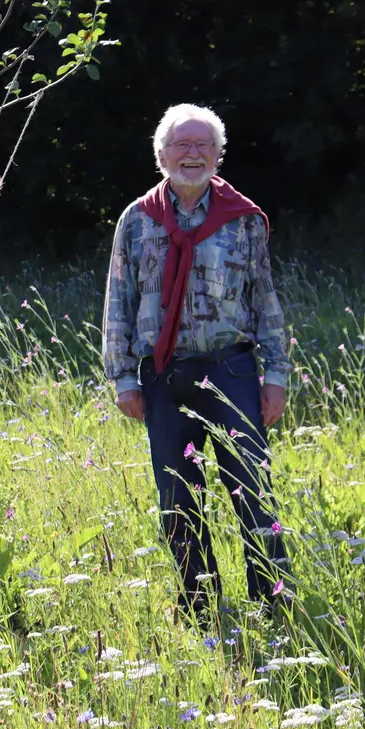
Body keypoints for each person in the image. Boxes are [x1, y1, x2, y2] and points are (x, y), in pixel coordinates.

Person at [102, 103, 294, 627]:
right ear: (161, 155)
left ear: (218, 154)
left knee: (253, 492)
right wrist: (122, 377)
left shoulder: (243, 218)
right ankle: (201, 610)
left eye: (203, 145)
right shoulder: (137, 220)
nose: (193, 154)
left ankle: (275, 608)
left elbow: (265, 299)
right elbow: (118, 300)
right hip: (162, 378)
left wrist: (276, 375)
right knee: (177, 499)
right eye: (182, 145)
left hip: (232, 371)